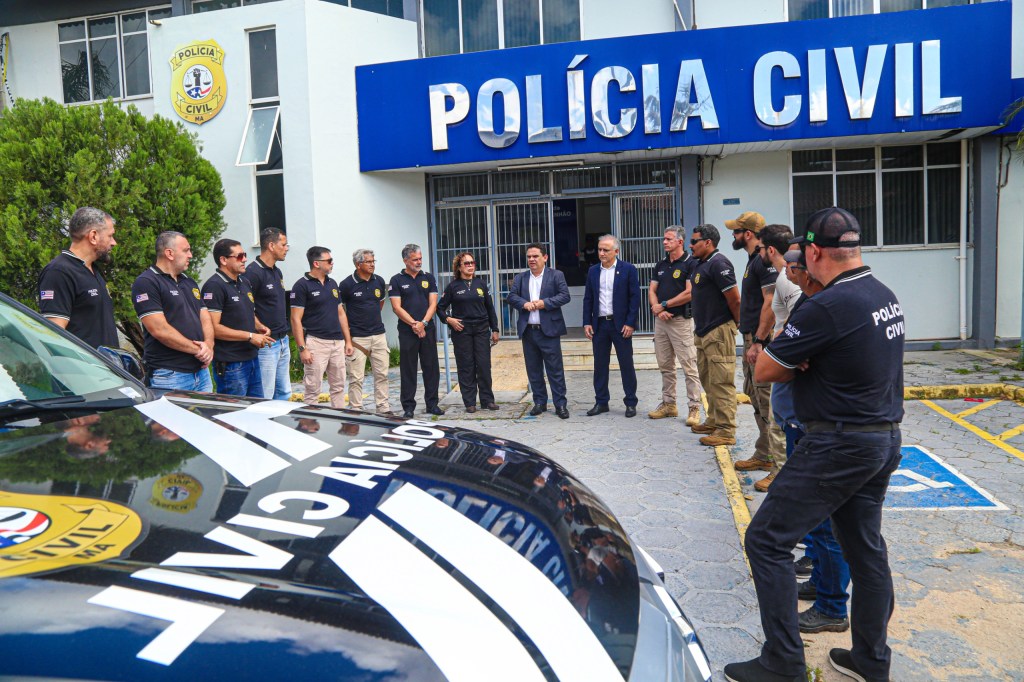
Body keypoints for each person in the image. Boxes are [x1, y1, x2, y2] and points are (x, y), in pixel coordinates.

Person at [725, 207, 904, 682]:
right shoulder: (881, 294)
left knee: (766, 540)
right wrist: (806, 355)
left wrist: (794, 352)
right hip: (881, 438)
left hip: (838, 444)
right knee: (865, 551)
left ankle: (782, 663)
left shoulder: (828, 305)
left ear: (815, 253)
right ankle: (871, 661)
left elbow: (767, 369)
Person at [779, 246, 852, 636]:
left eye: (794, 268)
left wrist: (788, 354)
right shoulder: (814, 303)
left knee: (825, 523)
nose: (790, 274)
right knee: (817, 522)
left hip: (821, 431)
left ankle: (832, 607)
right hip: (805, 423)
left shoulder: (823, 307)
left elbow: (773, 363)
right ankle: (821, 583)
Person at [729, 211, 787, 477]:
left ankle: (776, 465)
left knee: (765, 398)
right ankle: (764, 453)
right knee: (754, 393)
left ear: (748, 234)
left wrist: (759, 341)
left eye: (736, 231)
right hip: (751, 336)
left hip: (759, 339)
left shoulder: (763, 263)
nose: (733, 235)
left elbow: (770, 302)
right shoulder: (753, 261)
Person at [747, 223, 799, 492]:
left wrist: (780, 339)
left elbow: (799, 313)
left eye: (761, 249)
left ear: (770, 250)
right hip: (782, 352)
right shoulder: (785, 277)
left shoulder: (786, 279)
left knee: (780, 417)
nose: (758, 254)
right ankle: (776, 466)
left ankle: (780, 474)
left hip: (785, 357)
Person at [131, 231, 215, 391]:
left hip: (201, 372)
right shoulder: (146, 282)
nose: (190, 255)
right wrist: (199, 350)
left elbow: (205, 317)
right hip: (170, 374)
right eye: (186, 250)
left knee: (205, 410)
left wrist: (209, 346)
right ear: (169, 253)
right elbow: (159, 330)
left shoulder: (189, 281)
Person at [688, 224, 740, 446]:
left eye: (694, 241)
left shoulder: (719, 263)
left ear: (708, 242)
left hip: (718, 330)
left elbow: (734, 299)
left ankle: (726, 430)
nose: (691, 245)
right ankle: (714, 420)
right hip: (703, 331)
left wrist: (737, 324)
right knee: (708, 380)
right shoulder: (701, 264)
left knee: (722, 381)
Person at [38, 207, 118, 349]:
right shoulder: (59, 272)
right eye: (110, 236)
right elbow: (54, 335)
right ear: (93, 236)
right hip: (80, 363)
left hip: (106, 363)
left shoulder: (93, 270)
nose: (113, 242)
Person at [507, 243, 571, 420]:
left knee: (555, 370)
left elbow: (565, 295)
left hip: (549, 330)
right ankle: (540, 402)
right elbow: (511, 296)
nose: (531, 259)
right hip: (529, 331)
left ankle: (560, 404)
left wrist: (544, 303)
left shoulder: (556, 275)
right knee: (533, 370)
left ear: (545, 257)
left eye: (535, 256)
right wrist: (524, 304)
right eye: (529, 257)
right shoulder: (521, 278)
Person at [201, 239, 272, 397]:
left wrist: (259, 326)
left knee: (256, 408)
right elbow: (213, 328)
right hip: (232, 364)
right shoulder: (214, 286)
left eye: (245, 255)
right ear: (223, 260)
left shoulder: (244, 281)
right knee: (235, 410)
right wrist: (250, 336)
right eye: (239, 256)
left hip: (251, 358)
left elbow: (247, 311)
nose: (245, 259)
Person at [647, 225, 702, 426]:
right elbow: (652, 290)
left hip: (680, 321)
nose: (664, 242)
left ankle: (694, 407)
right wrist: (658, 309)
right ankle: (669, 404)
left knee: (689, 366)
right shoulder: (661, 264)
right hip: (661, 322)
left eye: (669, 239)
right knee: (665, 365)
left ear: (680, 241)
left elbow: (689, 293)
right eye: (664, 239)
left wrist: (664, 305)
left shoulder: (690, 263)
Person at [582, 235, 641, 417]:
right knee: (600, 365)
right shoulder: (593, 271)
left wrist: (630, 323)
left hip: (621, 325)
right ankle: (601, 402)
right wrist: (587, 322)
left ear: (616, 251)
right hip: (599, 325)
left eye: (605, 250)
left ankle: (630, 402)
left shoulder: (628, 269)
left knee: (626, 364)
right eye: (600, 249)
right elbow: (588, 298)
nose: (601, 253)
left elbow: (634, 298)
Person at [290, 246, 354, 408]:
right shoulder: (301, 286)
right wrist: (302, 348)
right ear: (316, 263)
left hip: (337, 343)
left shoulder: (332, 283)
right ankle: (310, 421)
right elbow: (295, 319)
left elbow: (341, 313)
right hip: (316, 343)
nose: (332, 263)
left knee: (339, 387)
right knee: (312, 389)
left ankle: (339, 419)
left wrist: (348, 341)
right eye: (329, 260)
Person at [437, 252, 500, 413]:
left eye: (472, 263)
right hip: (462, 331)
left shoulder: (481, 284)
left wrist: (495, 329)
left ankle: (487, 400)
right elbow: (440, 308)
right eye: (466, 263)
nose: (470, 266)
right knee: (466, 366)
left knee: (484, 365)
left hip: (481, 330)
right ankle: (470, 402)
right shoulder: (453, 287)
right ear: (459, 267)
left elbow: (490, 308)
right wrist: (449, 320)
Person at [389, 243, 443, 418]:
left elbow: (433, 304)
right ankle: (408, 407)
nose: (419, 262)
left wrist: (423, 323)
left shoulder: (428, 277)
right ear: (405, 261)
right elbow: (396, 307)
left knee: (431, 367)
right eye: (415, 259)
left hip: (427, 329)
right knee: (408, 368)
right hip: (407, 331)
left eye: (420, 259)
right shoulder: (397, 280)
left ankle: (432, 404)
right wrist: (414, 324)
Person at [339, 248, 392, 415]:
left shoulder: (379, 281)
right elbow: (340, 311)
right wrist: (347, 339)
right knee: (356, 378)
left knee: (382, 374)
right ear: (358, 264)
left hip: (378, 335)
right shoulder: (346, 284)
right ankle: (356, 409)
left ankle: (383, 408)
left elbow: (380, 304)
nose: (372, 264)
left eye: (373, 261)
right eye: (368, 262)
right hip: (357, 338)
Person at [244, 227, 292, 400]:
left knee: (284, 393)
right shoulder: (252, 273)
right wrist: (258, 328)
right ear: (271, 246)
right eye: (283, 245)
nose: (287, 248)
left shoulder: (277, 271)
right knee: (265, 395)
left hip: (283, 340)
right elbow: (245, 307)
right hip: (267, 345)